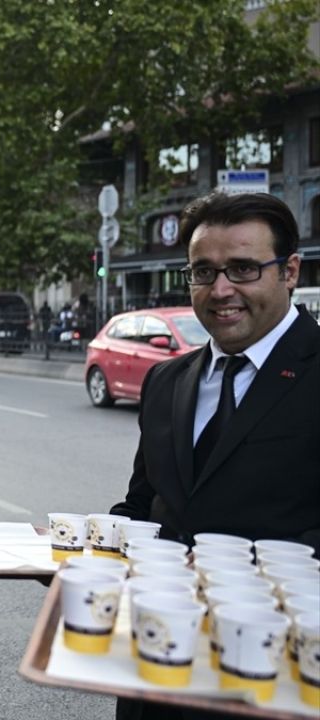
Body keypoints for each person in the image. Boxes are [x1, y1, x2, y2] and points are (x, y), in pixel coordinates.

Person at [110, 192, 319, 720]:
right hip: (155, 673)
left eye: (243, 269)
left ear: (289, 271)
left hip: (275, 685)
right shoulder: (166, 380)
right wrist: (85, 554)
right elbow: (145, 507)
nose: (221, 290)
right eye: (204, 272)